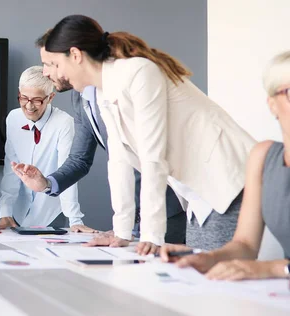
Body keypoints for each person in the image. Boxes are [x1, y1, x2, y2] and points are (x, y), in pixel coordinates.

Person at [36, 15, 255, 254]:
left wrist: (151, 235)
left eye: (55, 64)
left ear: (75, 55)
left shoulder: (138, 72)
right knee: (201, 275)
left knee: (219, 277)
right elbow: (118, 162)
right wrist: (121, 232)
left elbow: (153, 157)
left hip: (228, 179)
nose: (53, 73)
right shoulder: (104, 90)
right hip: (198, 193)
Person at [12, 30, 187, 241]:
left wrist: (140, 230)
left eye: (51, 64)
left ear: (75, 57)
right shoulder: (82, 97)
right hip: (139, 215)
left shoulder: (127, 82)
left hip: (170, 206)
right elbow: (81, 159)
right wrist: (47, 184)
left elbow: (148, 159)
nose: (46, 73)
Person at [160, 51, 290, 281]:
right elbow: (245, 244)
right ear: (272, 104)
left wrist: (272, 269)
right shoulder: (263, 157)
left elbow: (266, 265)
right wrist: (208, 257)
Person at [0, 65, 96, 231]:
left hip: (50, 213)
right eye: (23, 98)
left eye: (37, 100)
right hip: (18, 213)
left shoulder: (64, 123)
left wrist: (75, 220)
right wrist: (5, 211)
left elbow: (67, 171)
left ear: (50, 97)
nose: (29, 106)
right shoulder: (13, 118)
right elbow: (11, 168)